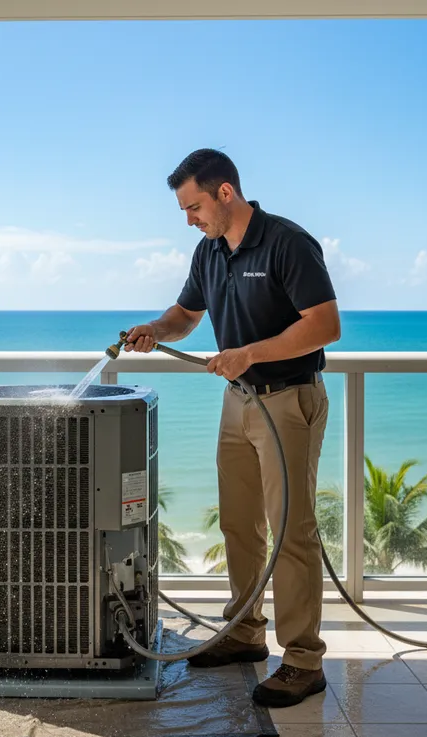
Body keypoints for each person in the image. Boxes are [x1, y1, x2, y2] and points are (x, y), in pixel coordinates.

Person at [126, 148, 341, 708]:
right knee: (240, 527)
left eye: (193, 206)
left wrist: (249, 353)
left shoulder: (287, 242)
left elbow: (325, 325)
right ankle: (245, 635)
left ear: (225, 193)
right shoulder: (209, 252)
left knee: (291, 531)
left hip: (289, 400)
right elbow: (186, 316)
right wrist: (155, 329)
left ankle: (302, 661)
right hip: (238, 402)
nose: (189, 219)